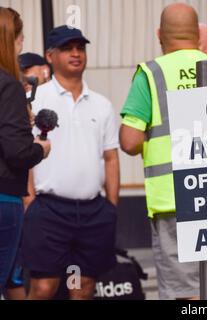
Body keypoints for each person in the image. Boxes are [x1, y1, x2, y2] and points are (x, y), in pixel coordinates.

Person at [120, 3, 207, 300]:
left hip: (174, 199)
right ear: (197, 34)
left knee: (185, 292)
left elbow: (130, 141)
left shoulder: (152, 74)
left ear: (159, 34)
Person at [22, 25, 120, 300]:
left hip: (92, 215)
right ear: (50, 56)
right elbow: (25, 152)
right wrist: (29, 201)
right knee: (44, 286)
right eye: (67, 48)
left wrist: (111, 206)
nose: (76, 54)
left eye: (80, 48)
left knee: (81, 285)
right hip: (49, 212)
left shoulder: (101, 104)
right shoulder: (36, 99)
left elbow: (111, 157)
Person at [0, 7, 50, 290]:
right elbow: (18, 153)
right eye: (20, 40)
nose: (22, 46)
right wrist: (41, 149)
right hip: (4, 198)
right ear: (11, 40)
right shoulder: (8, 85)